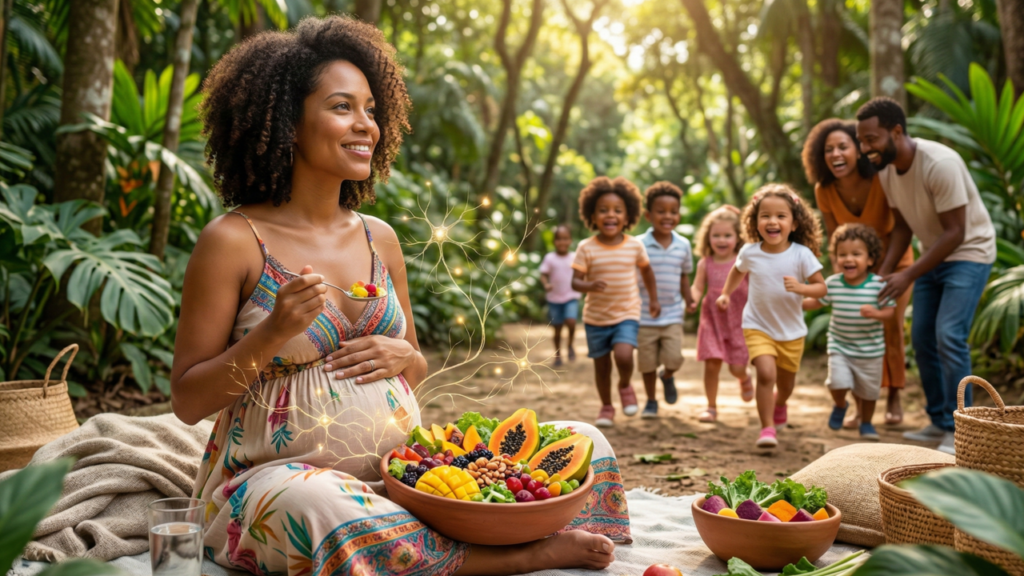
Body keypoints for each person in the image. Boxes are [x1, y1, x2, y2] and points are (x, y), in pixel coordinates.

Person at [172, 17, 623, 575]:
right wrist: (272, 332)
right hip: (279, 485)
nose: (366, 124)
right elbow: (188, 400)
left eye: (370, 109)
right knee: (314, 507)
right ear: (288, 122)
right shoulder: (233, 240)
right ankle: (515, 556)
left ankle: (417, 543)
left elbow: (415, 365)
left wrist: (405, 354)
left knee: (587, 441)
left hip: (407, 475)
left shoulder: (378, 237)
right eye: (342, 107)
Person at [856, 97, 996, 455]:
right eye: (861, 141)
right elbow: (903, 227)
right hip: (933, 255)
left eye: (871, 139)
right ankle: (939, 420)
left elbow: (956, 232)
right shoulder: (887, 169)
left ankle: (963, 430)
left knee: (949, 335)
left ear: (896, 132)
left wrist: (908, 276)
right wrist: (883, 272)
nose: (865, 148)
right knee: (921, 337)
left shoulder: (940, 164)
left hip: (969, 254)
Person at [802, 118, 914, 427]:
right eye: (828, 150)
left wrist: (882, 274)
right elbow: (833, 236)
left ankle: (894, 395)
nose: (836, 154)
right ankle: (860, 406)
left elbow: (902, 227)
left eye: (843, 147)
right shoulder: (824, 189)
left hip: (894, 265)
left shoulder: (882, 178)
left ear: (860, 150)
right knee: (854, 327)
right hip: (853, 268)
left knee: (889, 325)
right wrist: (839, 275)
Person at [716, 184, 826, 450]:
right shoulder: (750, 252)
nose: (772, 221)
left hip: (792, 331)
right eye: (765, 215)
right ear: (755, 222)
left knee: (785, 385)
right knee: (765, 374)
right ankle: (767, 428)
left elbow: (821, 288)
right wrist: (726, 293)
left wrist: (801, 288)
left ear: (794, 223)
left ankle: (780, 403)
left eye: (781, 216)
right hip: (757, 325)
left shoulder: (801, 254)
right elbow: (737, 271)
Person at [572, 176, 660, 427]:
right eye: (603, 210)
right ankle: (607, 407)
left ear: (628, 215)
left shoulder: (634, 246)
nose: (610, 215)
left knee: (623, 356)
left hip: (626, 313)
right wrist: (589, 285)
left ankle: (624, 385)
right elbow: (575, 282)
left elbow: (647, 272)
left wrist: (653, 300)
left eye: (617, 210)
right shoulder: (586, 247)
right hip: (595, 318)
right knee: (602, 368)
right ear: (592, 215)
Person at [803, 224, 896, 441]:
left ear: (870, 259)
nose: (848, 259)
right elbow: (816, 302)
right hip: (840, 347)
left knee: (869, 393)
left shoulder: (878, 285)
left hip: (871, 351)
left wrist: (876, 313)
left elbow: (890, 312)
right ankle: (840, 404)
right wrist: (795, 301)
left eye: (856, 254)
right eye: (842, 254)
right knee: (837, 382)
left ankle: (866, 423)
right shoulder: (833, 283)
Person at [635, 182, 695, 419]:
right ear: (648, 215)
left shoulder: (683, 245)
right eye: (661, 211)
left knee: (675, 358)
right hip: (643, 316)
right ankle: (651, 401)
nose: (668, 216)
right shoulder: (638, 244)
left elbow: (684, 276)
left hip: (673, 314)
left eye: (673, 211)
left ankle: (667, 375)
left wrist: (690, 299)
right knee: (647, 363)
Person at [690, 206, 752, 423]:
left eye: (727, 235)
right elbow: (698, 286)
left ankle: (744, 378)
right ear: (708, 237)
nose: (721, 240)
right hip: (712, 320)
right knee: (712, 363)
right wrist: (693, 299)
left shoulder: (743, 262)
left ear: (738, 237)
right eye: (716, 235)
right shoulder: (705, 263)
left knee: (737, 367)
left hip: (739, 321)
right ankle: (711, 407)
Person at [540, 224, 581, 367]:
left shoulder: (575, 257)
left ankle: (570, 345)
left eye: (565, 238)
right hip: (554, 299)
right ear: (554, 241)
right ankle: (557, 355)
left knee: (571, 322)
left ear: (570, 240)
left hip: (571, 296)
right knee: (557, 329)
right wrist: (546, 284)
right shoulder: (550, 258)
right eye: (559, 239)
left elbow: (581, 274)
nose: (562, 242)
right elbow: (543, 274)